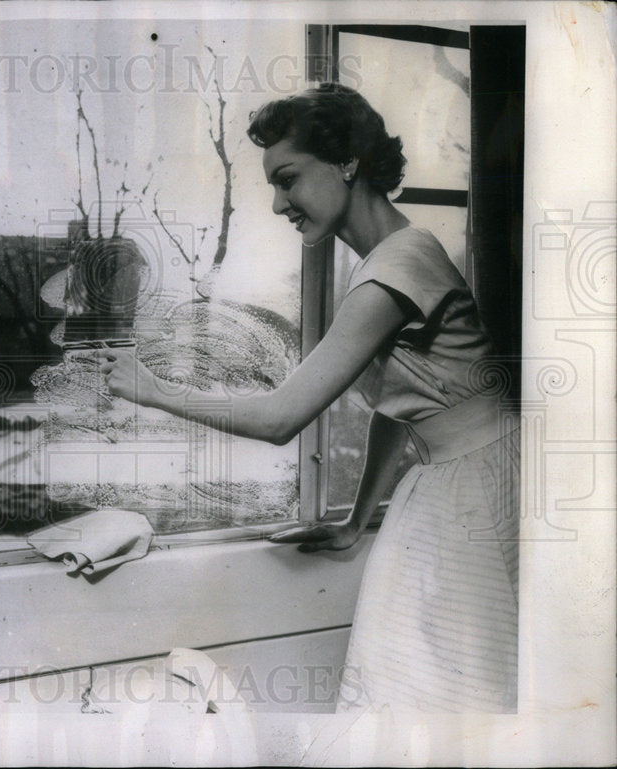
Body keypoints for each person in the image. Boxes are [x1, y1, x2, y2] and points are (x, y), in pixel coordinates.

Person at [97, 82, 519, 712]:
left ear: (347, 162)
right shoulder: (393, 256)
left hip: (475, 487)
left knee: (446, 690)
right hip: (470, 474)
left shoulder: (394, 267)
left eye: (287, 179)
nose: (276, 204)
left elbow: (282, 417)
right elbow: (403, 408)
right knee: (446, 688)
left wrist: (152, 389)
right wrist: (354, 519)